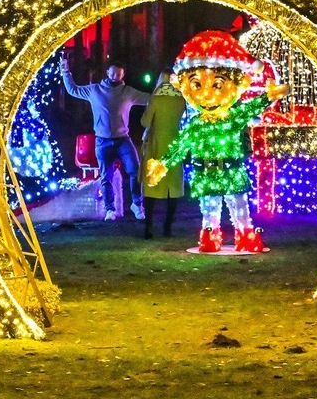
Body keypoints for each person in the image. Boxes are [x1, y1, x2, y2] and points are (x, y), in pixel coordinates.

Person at [146, 30, 289, 253]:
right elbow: (180, 146)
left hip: (231, 171)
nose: (206, 95)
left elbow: (252, 107)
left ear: (238, 83)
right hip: (206, 173)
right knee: (210, 209)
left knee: (239, 206)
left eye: (217, 85)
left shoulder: (233, 117)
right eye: (197, 85)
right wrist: (162, 165)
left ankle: (246, 236)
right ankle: (210, 238)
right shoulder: (196, 124)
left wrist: (270, 96)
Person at [61, 53, 151, 221]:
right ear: (107, 73)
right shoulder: (94, 90)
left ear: (123, 75)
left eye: (118, 74)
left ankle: (137, 204)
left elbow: (150, 99)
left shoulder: (128, 92)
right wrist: (65, 71)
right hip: (102, 141)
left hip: (123, 139)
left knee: (135, 171)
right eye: (112, 73)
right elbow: (72, 89)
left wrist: (169, 91)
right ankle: (110, 209)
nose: (114, 76)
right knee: (106, 177)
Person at [139, 69, 187, 239]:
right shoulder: (181, 99)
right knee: (172, 188)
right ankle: (168, 227)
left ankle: (148, 227)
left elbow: (145, 121)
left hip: (156, 145)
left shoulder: (155, 98)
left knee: (152, 185)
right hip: (174, 146)